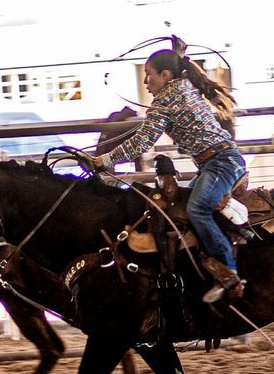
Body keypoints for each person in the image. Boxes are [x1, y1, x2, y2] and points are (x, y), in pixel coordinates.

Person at [89, 48, 245, 303]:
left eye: (149, 76)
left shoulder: (166, 100)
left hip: (221, 163)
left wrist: (103, 160)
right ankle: (212, 256)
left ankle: (229, 272)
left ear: (164, 75)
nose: (145, 82)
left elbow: (140, 143)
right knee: (183, 207)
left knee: (197, 209)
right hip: (216, 162)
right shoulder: (183, 86)